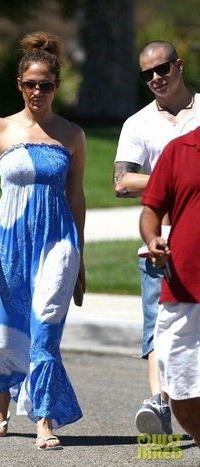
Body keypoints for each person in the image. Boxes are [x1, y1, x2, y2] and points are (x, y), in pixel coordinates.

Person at [0, 31, 86, 450]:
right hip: (7, 244)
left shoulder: (71, 134)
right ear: (20, 84)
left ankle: (44, 418)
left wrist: (79, 256)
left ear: (57, 86)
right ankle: (0, 405)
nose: (38, 91)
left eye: (46, 84)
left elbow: (76, 196)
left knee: (45, 328)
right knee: (9, 329)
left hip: (57, 242)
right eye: (30, 83)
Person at [113, 40, 200, 435]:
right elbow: (121, 181)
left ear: (178, 66)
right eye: (146, 74)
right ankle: (160, 406)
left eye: (161, 69)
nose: (155, 79)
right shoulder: (138, 123)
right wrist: (172, 179)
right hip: (159, 241)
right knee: (156, 328)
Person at [139, 126, 200, 447]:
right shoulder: (180, 149)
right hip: (183, 289)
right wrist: (152, 239)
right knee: (181, 388)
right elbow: (151, 211)